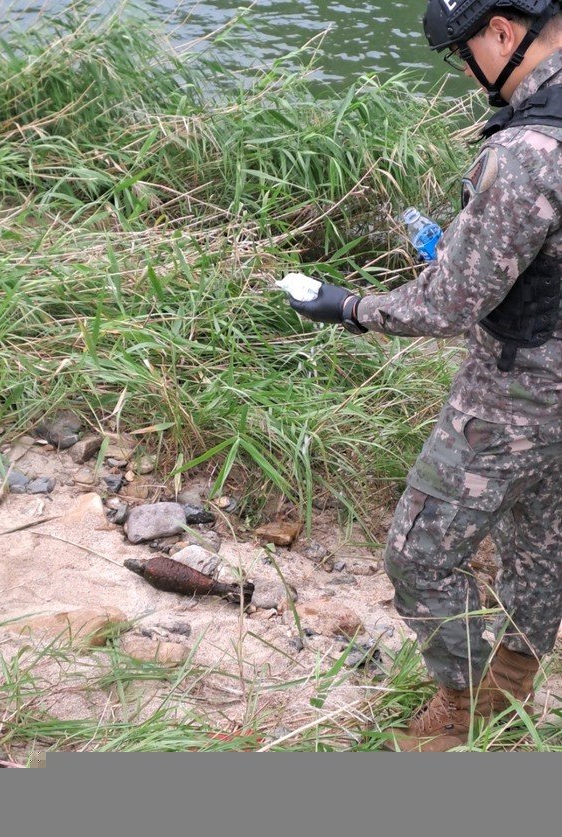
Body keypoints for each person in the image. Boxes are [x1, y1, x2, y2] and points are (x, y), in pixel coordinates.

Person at [286, 0, 561, 751]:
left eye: (464, 50)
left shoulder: (528, 152)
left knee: (418, 553)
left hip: (517, 395)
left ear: (503, 32)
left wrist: (350, 306)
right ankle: (512, 690)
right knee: (543, 545)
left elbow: (451, 305)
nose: (468, 70)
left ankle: (471, 705)